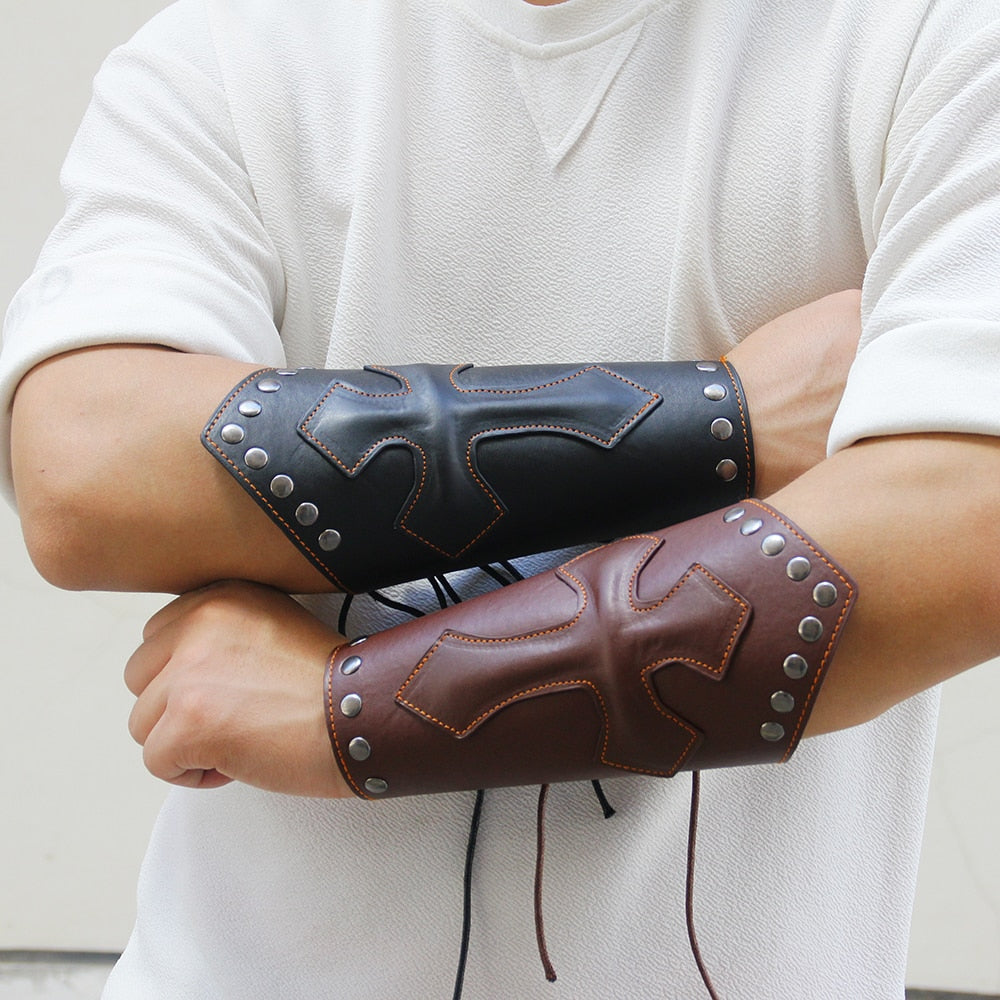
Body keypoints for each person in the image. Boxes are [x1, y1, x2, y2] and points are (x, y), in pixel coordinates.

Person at [3, 0, 999, 996]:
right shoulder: (231, 47)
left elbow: (964, 528)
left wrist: (340, 712)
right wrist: (723, 420)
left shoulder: (933, 38)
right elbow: (82, 468)